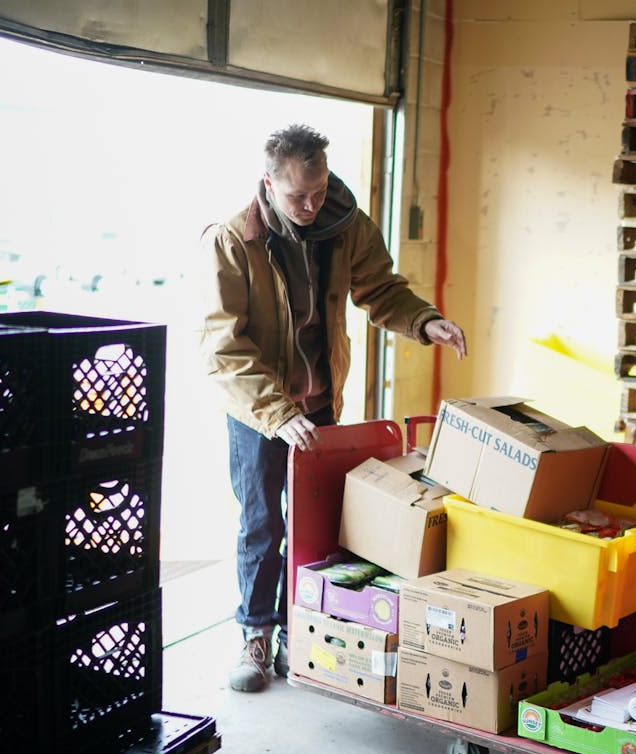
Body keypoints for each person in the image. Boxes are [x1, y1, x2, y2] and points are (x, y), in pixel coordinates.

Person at [199, 123, 467, 693]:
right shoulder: (229, 241)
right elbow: (223, 348)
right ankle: (254, 634)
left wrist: (425, 320)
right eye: (298, 196)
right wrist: (275, 412)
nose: (311, 205)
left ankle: (302, 628)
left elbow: (381, 288)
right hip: (258, 413)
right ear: (268, 184)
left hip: (318, 403)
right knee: (261, 521)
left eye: (318, 192)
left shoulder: (344, 225)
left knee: (314, 523)